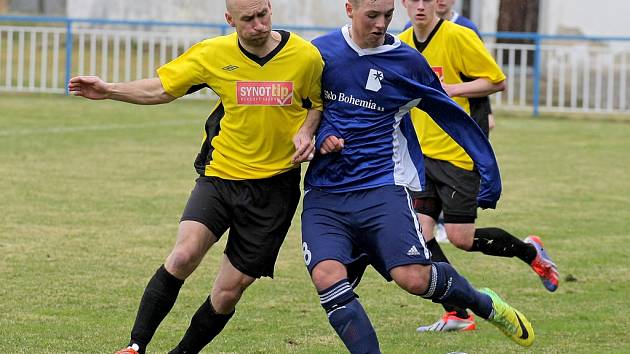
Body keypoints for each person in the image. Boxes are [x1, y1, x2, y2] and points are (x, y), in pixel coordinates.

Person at [69, 1, 323, 353]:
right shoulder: (212, 53)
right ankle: (135, 346)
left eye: (263, 15)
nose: (259, 26)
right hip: (220, 177)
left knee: (227, 291)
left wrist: (308, 131)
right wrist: (110, 89)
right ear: (229, 20)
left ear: (269, 8)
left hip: (274, 189)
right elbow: (161, 88)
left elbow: (318, 102)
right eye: (248, 19)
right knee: (184, 254)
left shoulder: (305, 57)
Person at [301, 0, 534, 352]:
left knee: (412, 278)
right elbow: (305, 110)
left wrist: (489, 172)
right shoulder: (319, 53)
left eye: (388, 16)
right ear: (349, 8)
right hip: (325, 194)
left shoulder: (406, 62)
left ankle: (485, 305)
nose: (381, 24)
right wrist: (319, 137)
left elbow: (449, 113)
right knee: (328, 278)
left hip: (382, 187)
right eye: (372, 16)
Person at [398, 0, 558, 333]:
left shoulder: (458, 36)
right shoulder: (402, 44)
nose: (421, 6)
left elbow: (497, 81)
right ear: (403, 3)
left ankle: (529, 252)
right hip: (422, 156)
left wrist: (452, 89)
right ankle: (457, 312)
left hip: (459, 154)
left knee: (461, 238)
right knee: (420, 236)